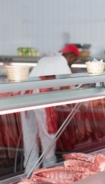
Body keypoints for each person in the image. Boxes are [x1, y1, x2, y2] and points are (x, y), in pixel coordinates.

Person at [21, 44, 79, 174]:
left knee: (29, 135)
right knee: (47, 134)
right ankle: (49, 170)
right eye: (74, 60)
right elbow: (66, 88)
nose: (73, 63)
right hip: (42, 97)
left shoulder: (47, 58)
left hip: (25, 96)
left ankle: (30, 172)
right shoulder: (62, 61)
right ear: (71, 56)